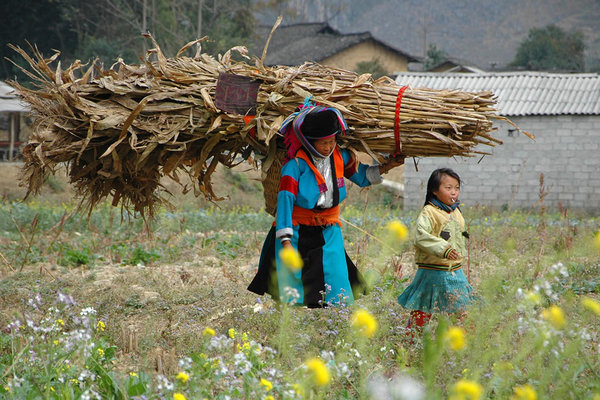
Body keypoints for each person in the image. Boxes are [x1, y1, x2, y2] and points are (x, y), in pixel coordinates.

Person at [248, 105, 404, 307]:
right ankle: (288, 318)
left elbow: (362, 176)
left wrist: (389, 166)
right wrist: (286, 241)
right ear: (310, 142)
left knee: (336, 274)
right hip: (296, 228)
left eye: (332, 141)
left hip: (328, 228)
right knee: (290, 279)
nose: (329, 147)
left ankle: (335, 317)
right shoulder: (294, 166)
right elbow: (285, 201)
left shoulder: (342, 158)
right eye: (324, 143)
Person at [397, 167, 473, 332]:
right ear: (434, 190)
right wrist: (444, 249)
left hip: (455, 270)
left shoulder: (455, 211)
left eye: (457, 188)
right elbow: (421, 236)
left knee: (460, 309)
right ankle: (409, 343)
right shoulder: (429, 212)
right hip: (432, 271)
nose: (453, 192)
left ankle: (464, 345)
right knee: (422, 310)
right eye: (448, 188)